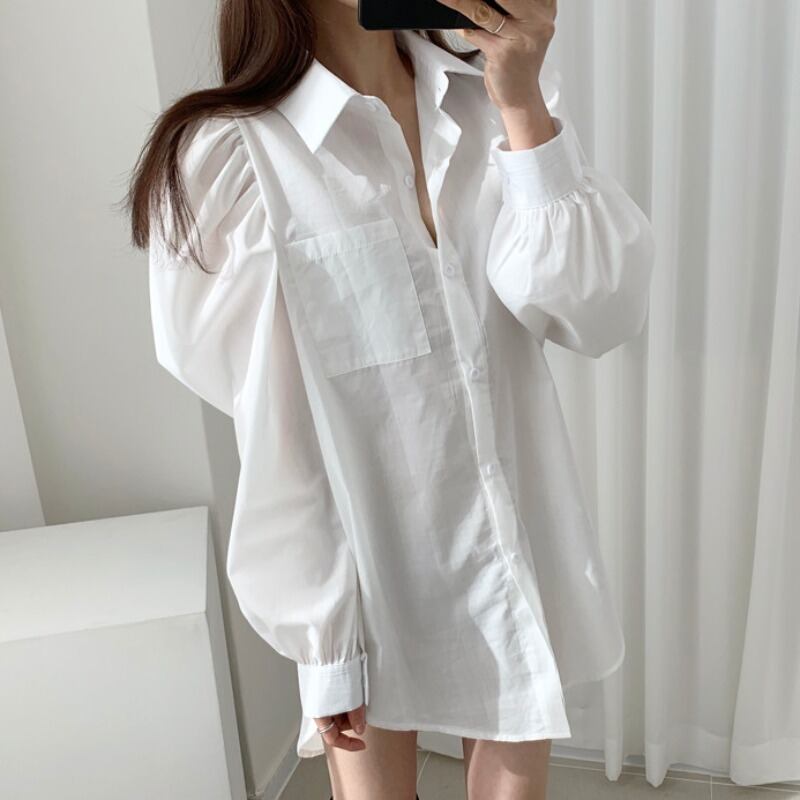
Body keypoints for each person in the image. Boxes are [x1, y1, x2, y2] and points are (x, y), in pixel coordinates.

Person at [126, 0, 655, 797]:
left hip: (512, 553)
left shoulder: (487, 106)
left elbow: (596, 308)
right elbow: (275, 429)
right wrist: (325, 641)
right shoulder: (237, 159)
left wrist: (521, 99)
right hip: (366, 577)